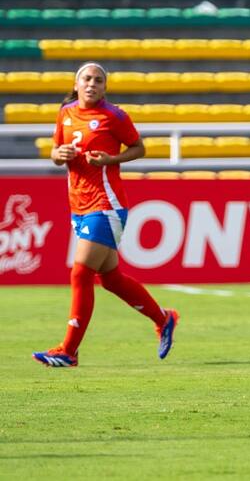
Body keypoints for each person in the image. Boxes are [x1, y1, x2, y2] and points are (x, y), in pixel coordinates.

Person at [33, 62, 179, 368]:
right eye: (87, 79)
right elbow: (56, 150)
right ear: (76, 84)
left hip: (106, 205)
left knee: (80, 272)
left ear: (104, 88)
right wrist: (58, 155)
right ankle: (163, 318)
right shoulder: (66, 113)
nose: (92, 84)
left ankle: (68, 351)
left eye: (98, 80)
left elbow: (139, 148)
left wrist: (112, 158)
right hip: (78, 206)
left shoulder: (114, 116)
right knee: (110, 279)